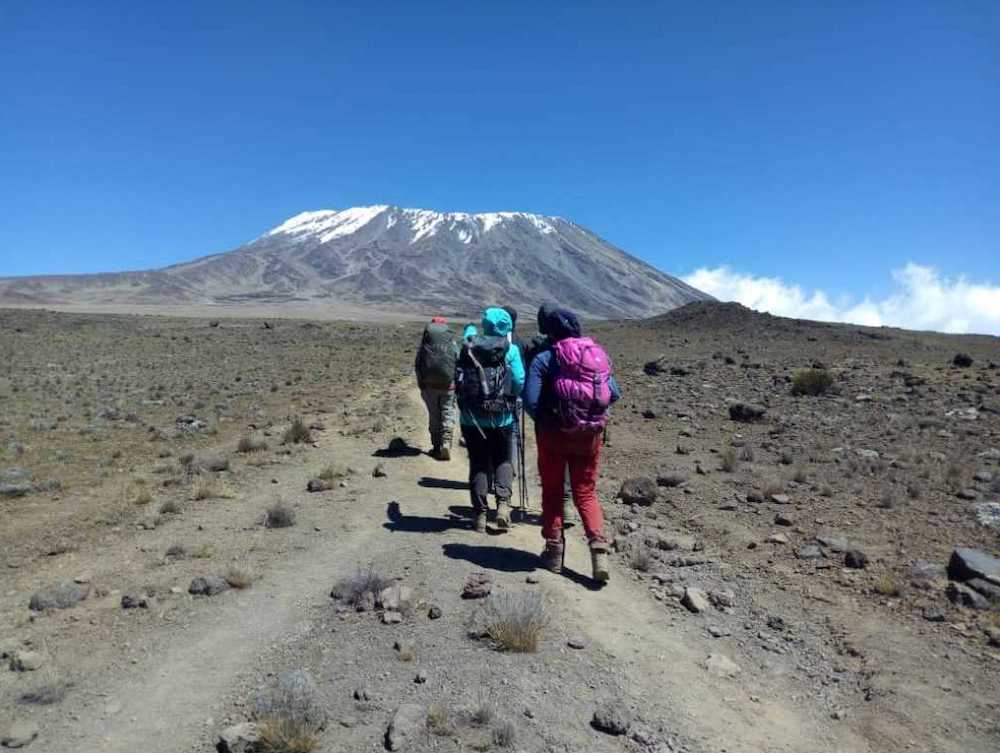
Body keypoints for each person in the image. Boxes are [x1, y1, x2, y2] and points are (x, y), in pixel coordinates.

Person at [524, 307, 620, 582]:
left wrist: (547, 421)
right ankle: (599, 548)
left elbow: (530, 400)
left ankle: (554, 552)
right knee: (586, 492)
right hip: (589, 438)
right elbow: (614, 393)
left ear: (550, 332)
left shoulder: (545, 358)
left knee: (554, 491)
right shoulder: (596, 355)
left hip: (553, 437)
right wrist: (589, 416)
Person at [455, 307, 525, 533]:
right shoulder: (511, 350)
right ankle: (503, 506)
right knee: (503, 460)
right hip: (502, 418)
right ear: (507, 327)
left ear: (485, 325)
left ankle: (480, 516)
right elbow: (519, 381)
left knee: (478, 464)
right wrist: (511, 397)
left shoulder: (468, 346)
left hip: (472, 418)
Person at [414, 316, 459, 460]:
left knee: (434, 415)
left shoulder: (426, 343)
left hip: (429, 385)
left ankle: (436, 446)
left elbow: (418, 363)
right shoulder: (451, 342)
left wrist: (421, 382)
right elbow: (457, 360)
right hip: (448, 385)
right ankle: (446, 442)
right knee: (448, 412)